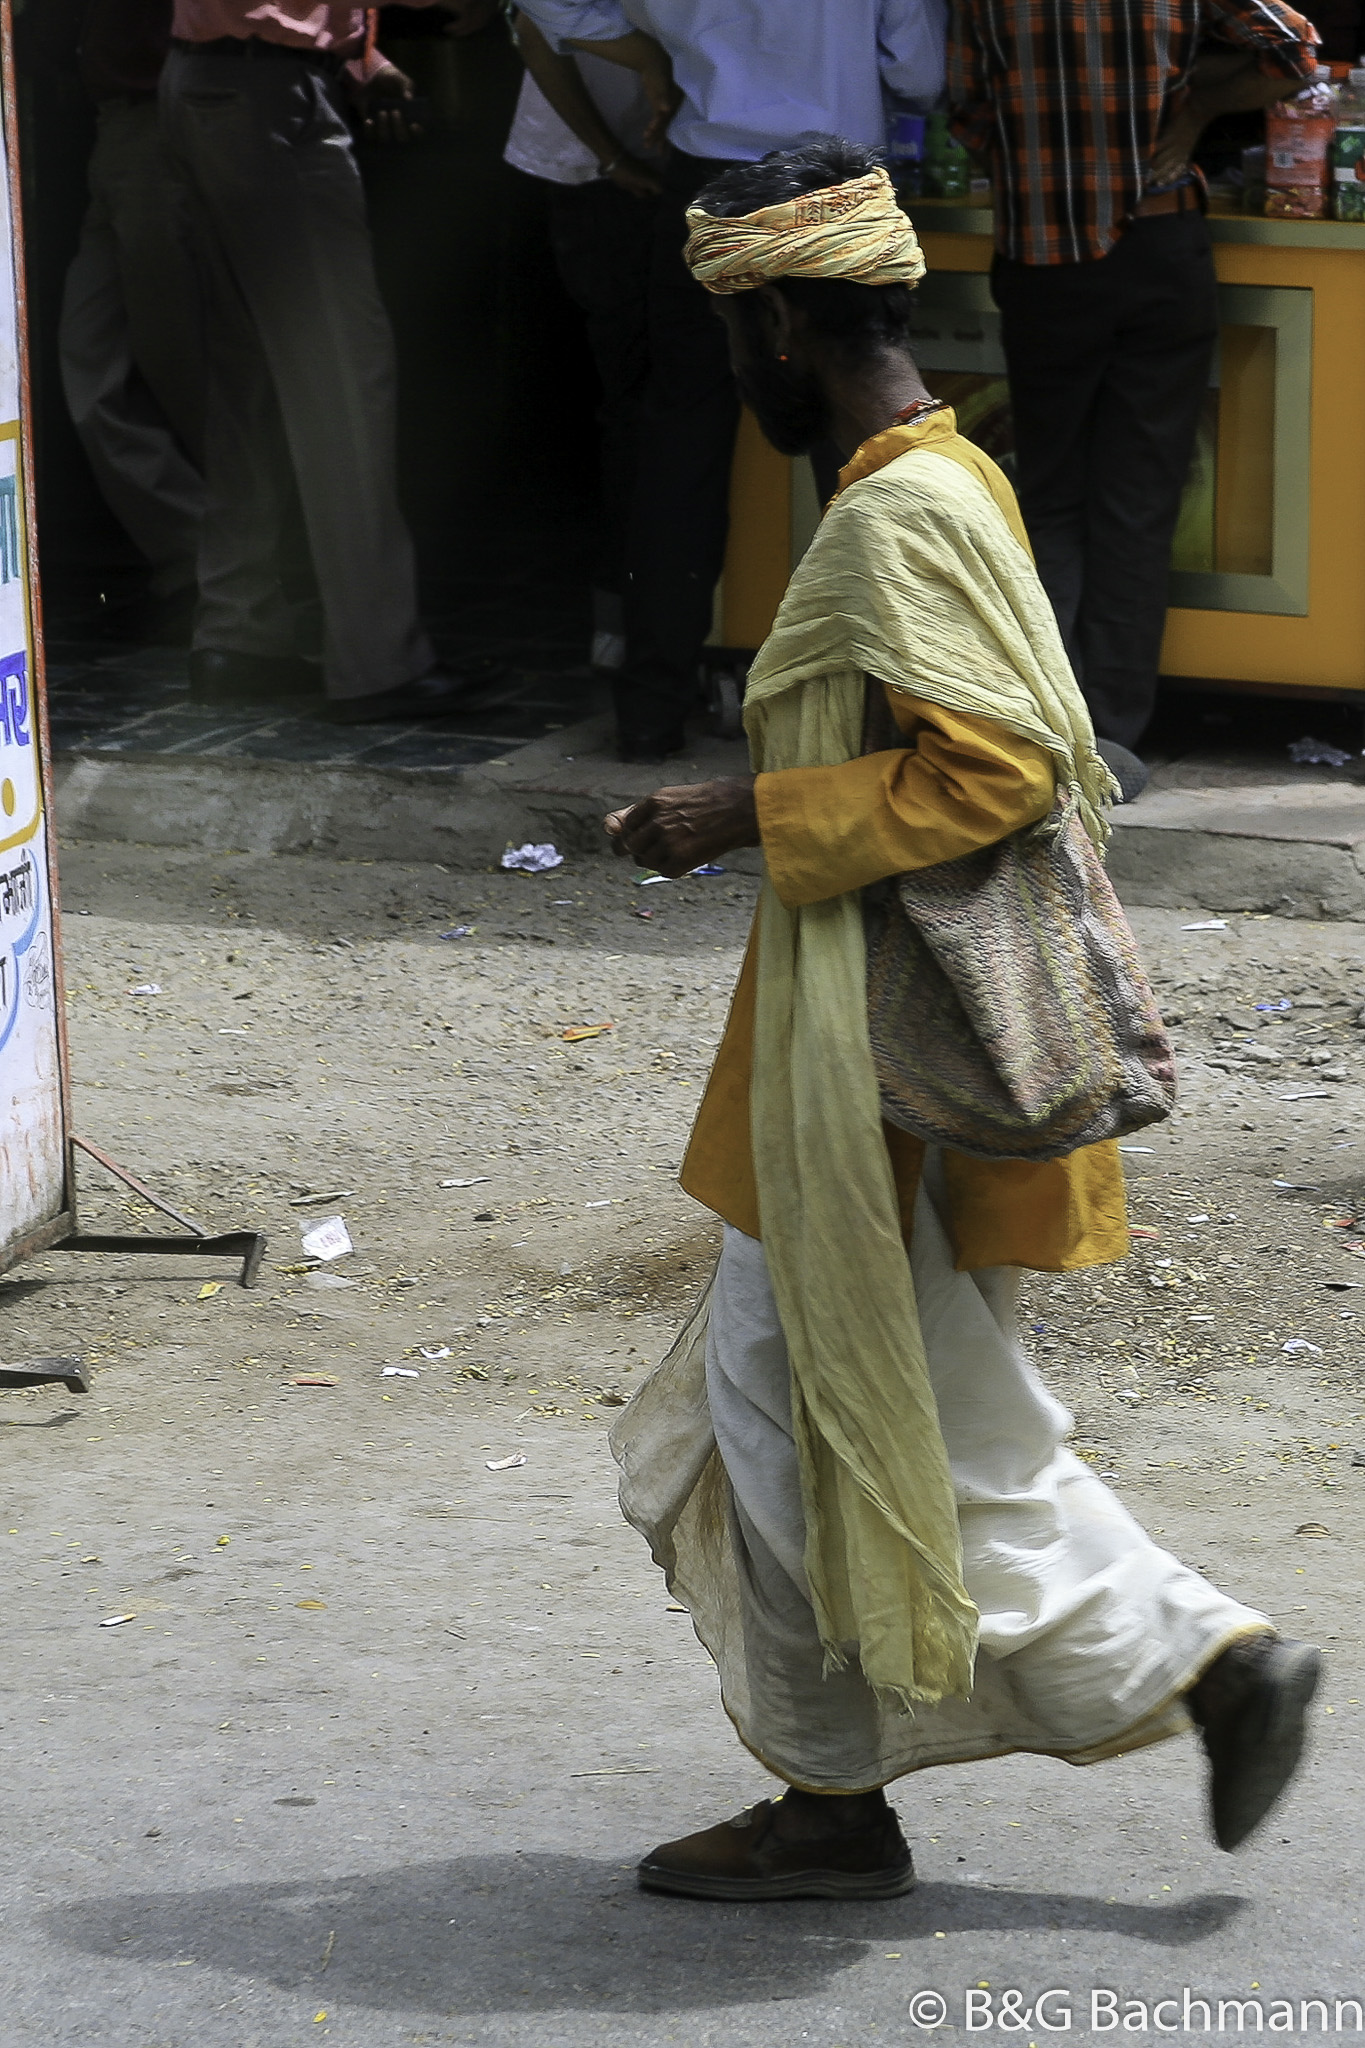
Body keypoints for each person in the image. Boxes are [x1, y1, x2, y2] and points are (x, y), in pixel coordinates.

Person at [602, 136, 1320, 1900]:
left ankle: (1183, 1662)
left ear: (772, 320)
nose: (737, 370)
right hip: (867, 1045)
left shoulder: (897, 512)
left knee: (851, 1409)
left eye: (733, 335)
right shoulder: (951, 479)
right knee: (825, 1399)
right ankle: (852, 1786)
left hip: (880, 1068)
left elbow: (993, 769)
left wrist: (742, 815)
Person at [513, 0, 947, 761]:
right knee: (857, 450)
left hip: (707, 178)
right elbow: (918, 71)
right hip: (832, 191)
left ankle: (649, 710)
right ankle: (884, 719)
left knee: (681, 440)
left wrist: (649, 56)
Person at [950, 0, 1318, 792]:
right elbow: (1294, 54)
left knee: (1047, 498)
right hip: (1158, 250)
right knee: (1138, 500)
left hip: (1044, 258)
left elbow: (967, 109)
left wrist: (1038, 164)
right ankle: (1110, 740)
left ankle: (1048, 730)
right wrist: (1189, 110)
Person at [159, 0, 500, 715]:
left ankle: (239, 634)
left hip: (226, 82)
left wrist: (359, 58)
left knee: (248, 379)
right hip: (266, 97)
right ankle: (375, 660)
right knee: (341, 375)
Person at [504, 12, 662, 676]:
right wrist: (612, 156)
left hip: (675, 162)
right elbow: (538, 26)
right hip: (603, 175)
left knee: (664, 397)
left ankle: (653, 622)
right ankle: (627, 617)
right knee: (640, 399)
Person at [58, 0, 206, 645]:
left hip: (164, 117)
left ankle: (242, 584)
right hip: (118, 123)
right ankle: (206, 560)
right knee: (91, 370)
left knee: (190, 374)